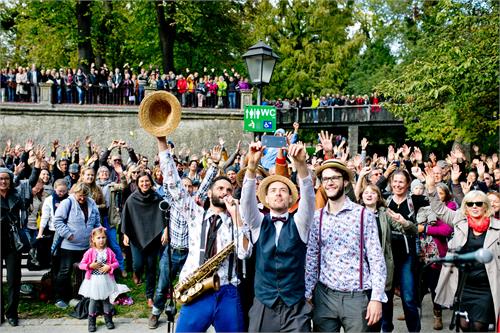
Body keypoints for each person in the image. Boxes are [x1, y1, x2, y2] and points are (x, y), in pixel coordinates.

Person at [156, 138, 250, 333]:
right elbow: (173, 184)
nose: (225, 193)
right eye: (220, 189)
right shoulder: (195, 213)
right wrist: (162, 142)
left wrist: (237, 216)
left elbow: (244, 253)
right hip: (196, 288)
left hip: (228, 289)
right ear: (209, 193)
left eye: (229, 190)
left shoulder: (238, 218)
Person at [240, 141, 315, 332]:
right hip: (264, 303)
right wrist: (251, 166)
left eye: (283, 190)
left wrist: (301, 166)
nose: (278, 194)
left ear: (291, 198)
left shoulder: (300, 223)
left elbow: (308, 198)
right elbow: (246, 204)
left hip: (295, 305)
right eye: (273, 190)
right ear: (265, 198)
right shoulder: (258, 224)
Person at [305, 159, 387, 332]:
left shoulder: (363, 215)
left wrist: (376, 298)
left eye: (335, 177)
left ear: (346, 181)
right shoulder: (317, 218)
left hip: (356, 297)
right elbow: (312, 259)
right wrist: (307, 294)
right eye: (326, 179)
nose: (330, 182)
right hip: (324, 296)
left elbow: (376, 258)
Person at [148, 139, 219, 329]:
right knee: (163, 284)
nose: (187, 189)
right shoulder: (174, 199)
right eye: (184, 186)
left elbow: (204, 186)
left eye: (189, 186)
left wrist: (214, 165)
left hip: (189, 253)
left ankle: (188, 315)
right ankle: (156, 312)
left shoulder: (196, 203)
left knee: (191, 285)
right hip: (172, 251)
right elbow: (171, 182)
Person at [425, 171, 500, 332]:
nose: (474, 207)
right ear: (465, 206)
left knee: (478, 327)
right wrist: (431, 187)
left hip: (486, 288)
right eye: (470, 204)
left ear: (486, 206)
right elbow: (439, 209)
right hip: (464, 285)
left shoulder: (497, 228)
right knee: (463, 325)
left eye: (479, 203)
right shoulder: (460, 220)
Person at [121, 171, 166, 307]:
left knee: (151, 268)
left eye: (147, 181)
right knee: (138, 264)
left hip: (153, 237)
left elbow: (164, 216)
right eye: (142, 182)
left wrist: (165, 230)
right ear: (138, 184)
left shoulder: (157, 198)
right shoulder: (132, 199)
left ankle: (149, 296)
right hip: (136, 236)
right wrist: (126, 234)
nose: (145, 184)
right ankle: (136, 272)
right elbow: (126, 217)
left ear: (151, 182)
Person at [53, 182, 101, 309]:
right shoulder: (67, 203)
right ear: (74, 193)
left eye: (85, 195)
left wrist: (96, 236)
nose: (82, 198)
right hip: (69, 246)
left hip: (86, 246)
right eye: (79, 196)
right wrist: (68, 234)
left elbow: (97, 221)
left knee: (86, 271)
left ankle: (83, 296)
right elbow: (57, 220)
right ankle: (60, 297)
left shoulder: (91, 203)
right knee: (65, 271)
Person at [78, 227, 119, 332]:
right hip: (93, 280)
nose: (101, 240)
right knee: (93, 301)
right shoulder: (90, 252)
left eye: (103, 237)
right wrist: (90, 265)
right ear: (93, 239)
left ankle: (108, 320)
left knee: (106, 300)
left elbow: (116, 263)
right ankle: (91, 322)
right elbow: (81, 265)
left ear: (106, 239)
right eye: (98, 238)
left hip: (105, 280)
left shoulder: (108, 251)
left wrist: (110, 267)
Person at [0, 167, 23, 326]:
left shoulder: (17, 195)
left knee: (14, 280)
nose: (3, 181)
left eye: (6, 178)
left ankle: (12, 313)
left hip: (12, 242)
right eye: (0, 178)